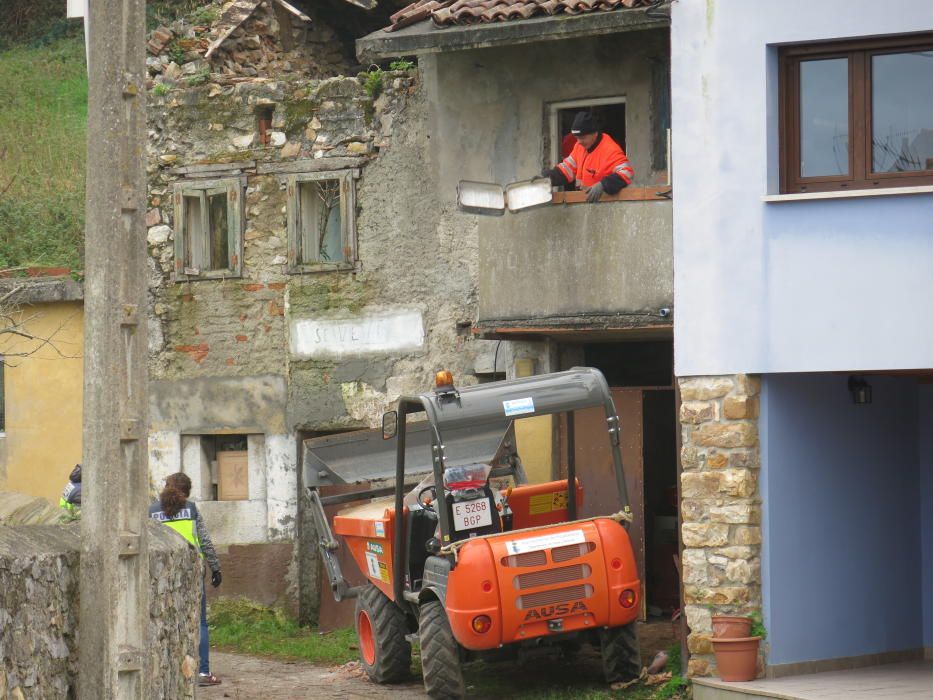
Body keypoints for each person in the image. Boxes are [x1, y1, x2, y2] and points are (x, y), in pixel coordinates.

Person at [150, 473, 223, 687]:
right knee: (200, 623)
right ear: (187, 491)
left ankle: (165, 672)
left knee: (161, 623)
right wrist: (216, 568)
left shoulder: (152, 511)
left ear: (166, 487)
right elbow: (205, 542)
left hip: (160, 575)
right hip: (191, 573)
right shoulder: (191, 510)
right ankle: (203, 673)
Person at [543, 111, 634, 203]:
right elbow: (567, 170)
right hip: (585, 203)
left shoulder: (610, 149)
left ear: (595, 133)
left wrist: (603, 185)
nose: (579, 141)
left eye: (582, 137)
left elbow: (627, 173)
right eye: (577, 137)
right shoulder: (579, 146)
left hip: (606, 206)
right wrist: (547, 178)